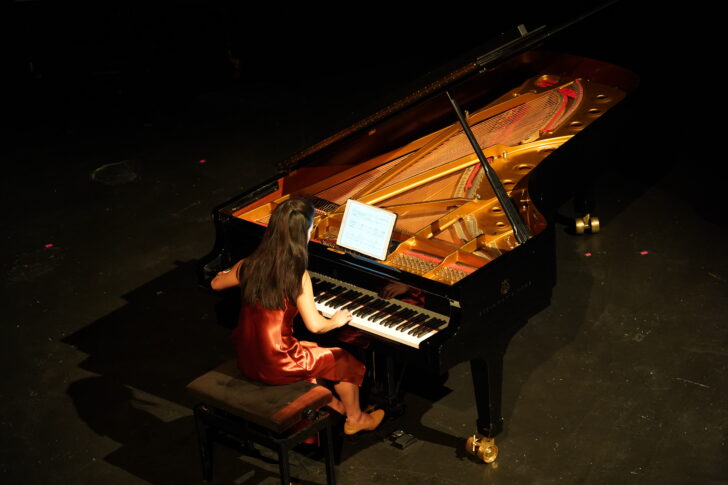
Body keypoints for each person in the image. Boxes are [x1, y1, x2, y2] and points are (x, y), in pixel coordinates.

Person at [210, 196, 384, 435]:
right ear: (305, 233)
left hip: (248, 357)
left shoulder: (248, 264)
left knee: (310, 348)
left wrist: (225, 273)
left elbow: (216, 284)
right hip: (278, 363)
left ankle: (338, 408)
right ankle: (356, 418)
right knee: (341, 358)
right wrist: (334, 321)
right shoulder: (296, 274)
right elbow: (315, 326)